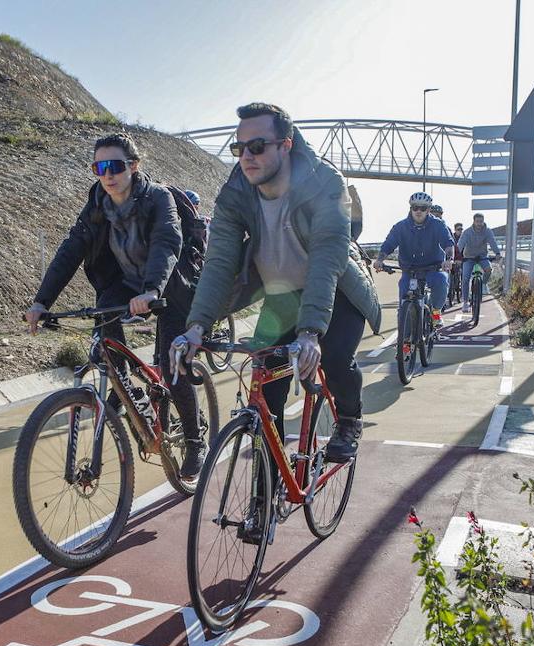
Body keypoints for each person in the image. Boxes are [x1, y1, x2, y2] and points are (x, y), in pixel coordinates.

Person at [173, 102, 381, 464]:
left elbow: (326, 258)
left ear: (285, 145)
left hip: (334, 289)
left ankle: (349, 420)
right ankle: (268, 483)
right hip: (281, 297)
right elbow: (219, 262)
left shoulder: (324, 182)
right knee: (266, 384)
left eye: (257, 146)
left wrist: (311, 332)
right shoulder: (235, 193)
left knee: (335, 359)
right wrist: (196, 327)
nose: (246, 157)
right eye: (239, 149)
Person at [24, 132, 207, 478]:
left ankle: (196, 440)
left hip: (170, 286)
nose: (107, 174)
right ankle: (127, 394)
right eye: (99, 167)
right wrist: (41, 301)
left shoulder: (158, 198)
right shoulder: (98, 202)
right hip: (124, 284)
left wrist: (153, 289)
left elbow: (168, 241)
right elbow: (71, 249)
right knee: (105, 344)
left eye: (115, 166)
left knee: (171, 364)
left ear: (134, 166)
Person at [377, 192, 453, 327]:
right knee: (403, 305)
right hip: (410, 271)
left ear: (428, 210)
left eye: (423, 208)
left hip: (432, 269)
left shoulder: (438, 225)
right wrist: (379, 260)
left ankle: (436, 312)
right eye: (415, 207)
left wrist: (449, 259)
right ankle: (405, 343)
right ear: (410, 208)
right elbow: (388, 244)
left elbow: (447, 243)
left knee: (442, 280)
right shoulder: (400, 227)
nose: (419, 211)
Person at [456, 213, 502, 312]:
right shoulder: (467, 232)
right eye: (477, 221)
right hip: (469, 257)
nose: (479, 224)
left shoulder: (487, 231)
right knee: (465, 278)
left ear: (483, 221)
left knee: (489, 270)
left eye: (481, 221)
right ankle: (465, 302)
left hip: (482, 256)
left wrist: (497, 253)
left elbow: (492, 242)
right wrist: (457, 256)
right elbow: (460, 244)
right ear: (474, 221)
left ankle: (484, 284)